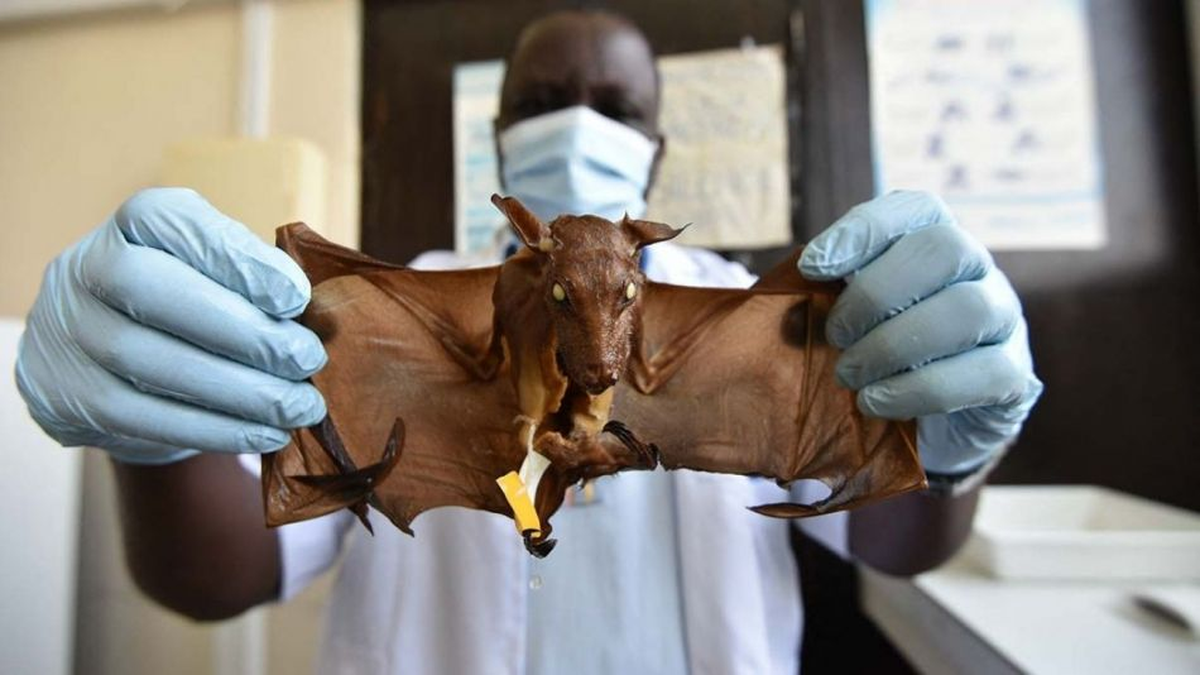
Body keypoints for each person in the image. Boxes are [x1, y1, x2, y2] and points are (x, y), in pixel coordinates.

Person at [15, 10, 1041, 675]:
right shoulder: (385, 317)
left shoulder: (756, 321)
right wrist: (151, 434)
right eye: (545, 106)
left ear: (656, 146)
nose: (580, 126)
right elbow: (215, 578)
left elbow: (892, 545)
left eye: (616, 108)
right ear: (500, 135)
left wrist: (948, 448)